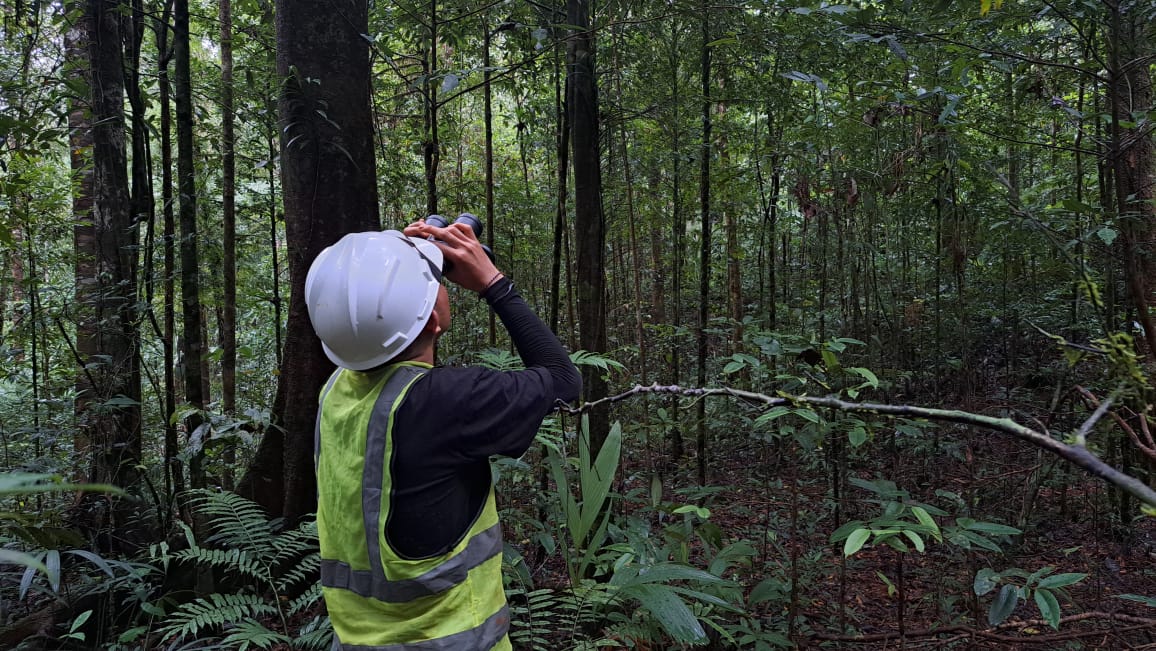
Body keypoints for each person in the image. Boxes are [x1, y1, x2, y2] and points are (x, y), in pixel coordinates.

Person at [305, 218, 581, 651]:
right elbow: (563, 381)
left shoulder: (336, 392)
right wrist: (492, 282)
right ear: (433, 318)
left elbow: (362, 320)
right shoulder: (449, 402)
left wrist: (392, 260)